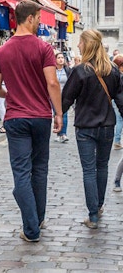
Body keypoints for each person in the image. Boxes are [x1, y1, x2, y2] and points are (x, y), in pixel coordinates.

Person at [0, 0, 62, 243]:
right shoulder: (44, 49)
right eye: (39, 17)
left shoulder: (2, 51)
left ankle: (31, 227)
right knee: (39, 170)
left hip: (16, 117)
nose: (40, 21)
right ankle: (36, 221)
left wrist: (10, 95)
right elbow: (52, 83)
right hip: (40, 116)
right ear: (29, 18)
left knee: (21, 172)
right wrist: (59, 113)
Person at [62, 30, 123, 229]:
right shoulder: (113, 70)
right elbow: (121, 100)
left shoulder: (80, 71)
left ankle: (93, 215)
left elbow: (66, 99)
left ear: (87, 45)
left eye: (80, 42)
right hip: (107, 125)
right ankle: (99, 206)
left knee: (89, 170)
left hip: (85, 127)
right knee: (102, 167)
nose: (78, 45)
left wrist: (56, 115)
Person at [54, 51, 71, 143]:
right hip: (54, 96)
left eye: (62, 58)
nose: (61, 59)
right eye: (58, 58)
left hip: (64, 96)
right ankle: (58, 133)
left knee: (64, 114)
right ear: (55, 60)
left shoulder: (68, 70)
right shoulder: (52, 70)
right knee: (56, 114)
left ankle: (63, 134)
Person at [112, 54, 123, 150]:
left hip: (115, 100)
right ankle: (117, 140)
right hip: (119, 101)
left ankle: (117, 140)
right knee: (120, 120)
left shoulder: (114, 74)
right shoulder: (120, 75)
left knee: (119, 120)